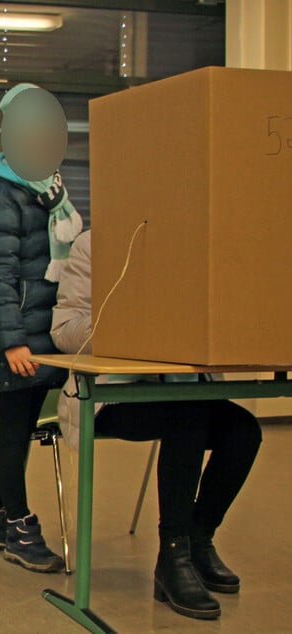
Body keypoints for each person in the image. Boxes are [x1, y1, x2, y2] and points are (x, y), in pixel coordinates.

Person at [51, 230, 261, 620]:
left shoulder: (194, 244)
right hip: (112, 397)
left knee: (244, 431)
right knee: (187, 416)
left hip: (187, 391)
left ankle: (199, 538)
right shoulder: (94, 244)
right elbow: (65, 331)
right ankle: (173, 555)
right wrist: (127, 319)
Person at [0, 83, 81, 573]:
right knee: (14, 434)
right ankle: (18, 526)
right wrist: (12, 341)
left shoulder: (50, 191)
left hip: (46, 331)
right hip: (13, 337)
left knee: (16, 431)